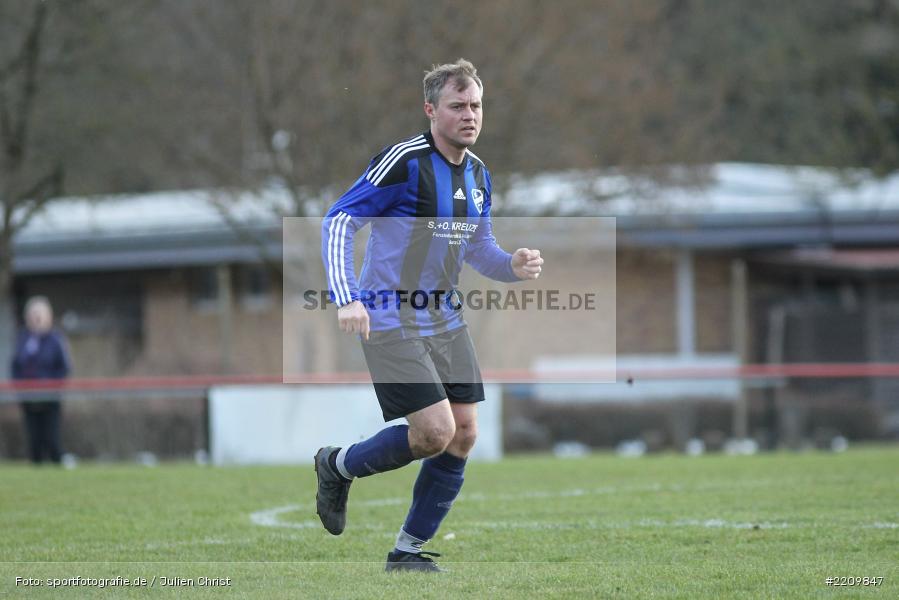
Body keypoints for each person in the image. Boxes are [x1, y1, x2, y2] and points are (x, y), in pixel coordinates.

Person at [316, 59, 543, 572]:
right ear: (431, 110)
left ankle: (407, 553)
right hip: (390, 318)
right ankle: (336, 466)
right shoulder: (403, 162)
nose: (470, 115)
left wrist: (511, 265)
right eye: (457, 106)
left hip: (445, 318)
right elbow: (338, 222)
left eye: (476, 105)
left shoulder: (481, 174)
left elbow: (478, 248)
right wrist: (346, 296)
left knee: (463, 433)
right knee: (434, 433)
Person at [11, 296, 71, 464]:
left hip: (50, 397)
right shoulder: (23, 339)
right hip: (28, 397)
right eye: (32, 314)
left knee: (52, 439)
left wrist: (53, 387)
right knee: (34, 441)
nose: (36, 318)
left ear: (48, 316)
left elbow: (64, 367)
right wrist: (20, 387)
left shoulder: (56, 339)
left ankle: (58, 467)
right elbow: (15, 366)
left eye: (39, 314)